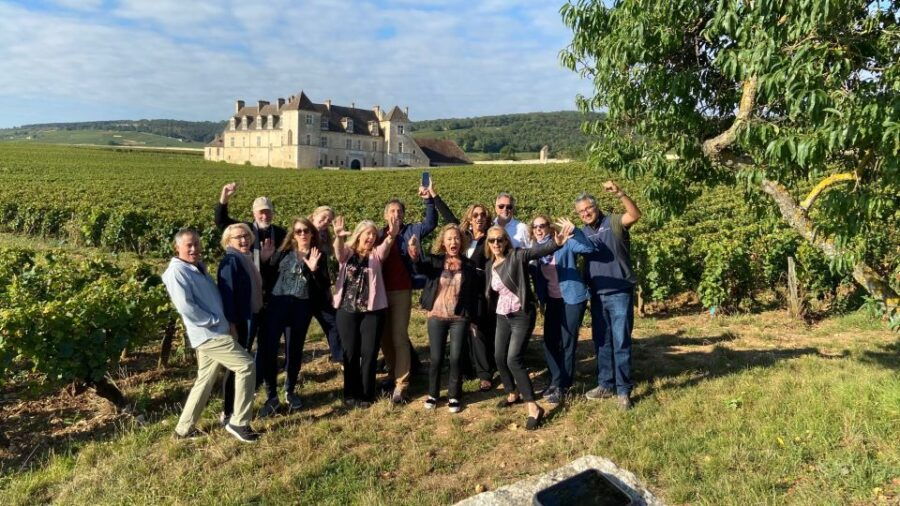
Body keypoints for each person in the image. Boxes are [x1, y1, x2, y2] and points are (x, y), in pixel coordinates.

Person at [162, 228, 259, 443]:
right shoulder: (176, 272)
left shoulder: (196, 267)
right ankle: (239, 422)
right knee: (246, 365)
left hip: (214, 331)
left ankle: (183, 429)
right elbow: (187, 308)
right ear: (177, 247)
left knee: (204, 379)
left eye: (197, 243)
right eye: (189, 245)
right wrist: (216, 322)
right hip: (210, 334)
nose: (194, 248)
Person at [484, 220, 574, 430]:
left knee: (513, 359)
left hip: (521, 313)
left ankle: (533, 407)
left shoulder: (517, 256)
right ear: (488, 244)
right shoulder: (490, 266)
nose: (496, 243)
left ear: (506, 241)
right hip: (502, 315)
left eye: (500, 239)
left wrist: (556, 243)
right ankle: (512, 393)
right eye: (492, 240)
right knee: (498, 356)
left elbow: (537, 251)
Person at [576, 181, 642, 410]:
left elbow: (634, 215)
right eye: (581, 212)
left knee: (621, 342)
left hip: (619, 293)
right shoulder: (582, 233)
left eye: (588, 209)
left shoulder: (613, 222)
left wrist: (620, 193)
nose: (585, 213)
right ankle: (605, 384)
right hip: (597, 295)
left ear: (596, 207)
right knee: (602, 341)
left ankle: (624, 390)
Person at [407, 224, 479, 413]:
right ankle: (433, 394)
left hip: (459, 317)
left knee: (456, 358)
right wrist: (414, 254)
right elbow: (418, 267)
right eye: (449, 239)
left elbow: (472, 294)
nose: (453, 241)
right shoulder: (435, 261)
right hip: (437, 315)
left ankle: (454, 396)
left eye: (456, 238)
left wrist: (472, 319)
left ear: (461, 242)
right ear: (443, 242)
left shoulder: (469, 265)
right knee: (436, 358)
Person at [258, 218, 325, 414]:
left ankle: (290, 390)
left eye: (306, 231)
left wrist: (314, 270)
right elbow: (267, 275)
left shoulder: (318, 255)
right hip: (276, 305)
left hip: (300, 308)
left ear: (312, 233)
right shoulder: (283, 252)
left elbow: (323, 286)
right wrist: (264, 260)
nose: (302, 234)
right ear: (293, 235)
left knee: (294, 350)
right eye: (298, 231)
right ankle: (271, 396)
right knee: (269, 350)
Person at [378, 186, 437, 404]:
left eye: (399, 211)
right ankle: (393, 374)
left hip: (401, 289)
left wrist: (429, 201)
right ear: (386, 215)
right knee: (384, 336)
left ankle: (402, 383)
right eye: (392, 211)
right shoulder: (378, 234)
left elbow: (430, 223)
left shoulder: (412, 230)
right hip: (381, 291)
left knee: (399, 335)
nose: (396, 214)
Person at [333, 215, 400, 407]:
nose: (371, 237)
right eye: (367, 233)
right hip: (347, 310)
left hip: (373, 311)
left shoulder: (376, 255)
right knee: (351, 352)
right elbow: (338, 253)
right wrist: (338, 237)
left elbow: (385, 247)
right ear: (359, 235)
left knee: (369, 352)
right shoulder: (347, 253)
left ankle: (367, 394)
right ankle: (350, 393)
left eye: (373, 234)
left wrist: (391, 236)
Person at [432, 192, 496, 392]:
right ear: (469, 218)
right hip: (457, 292)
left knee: (477, 331)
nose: (479, 218)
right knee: (462, 331)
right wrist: (434, 196)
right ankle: (467, 369)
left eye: (483, 215)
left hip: (478, 291)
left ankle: (485, 374)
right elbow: (448, 217)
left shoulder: (489, 240)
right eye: (475, 215)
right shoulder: (462, 236)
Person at [528, 215, 595, 404]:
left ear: (550, 227)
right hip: (552, 301)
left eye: (543, 225)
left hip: (572, 298)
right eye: (536, 227)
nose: (540, 229)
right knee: (549, 340)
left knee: (567, 341)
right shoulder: (535, 252)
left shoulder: (565, 242)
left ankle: (562, 385)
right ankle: (557, 378)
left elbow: (589, 248)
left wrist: (576, 231)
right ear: (532, 231)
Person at [216, 223, 263, 427]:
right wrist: (232, 324)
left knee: (240, 362)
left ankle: (234, 408)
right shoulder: (231, 261)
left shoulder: (245, 258)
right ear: (228, 242)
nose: (243, 240)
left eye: (246, 235)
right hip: (240, 321)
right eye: (238, 237)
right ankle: (228, 412)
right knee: (236, 366)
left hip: (249, 316)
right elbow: (228, 296)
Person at [308, 206, 343, 363]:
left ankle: (340, 357)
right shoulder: (303, 232)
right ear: (314, 216)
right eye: (322, 218)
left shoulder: (325, 236)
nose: (325, 222)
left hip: (321, 289)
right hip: (304, 290)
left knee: (333, 323)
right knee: (298, 330)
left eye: (328, 220)